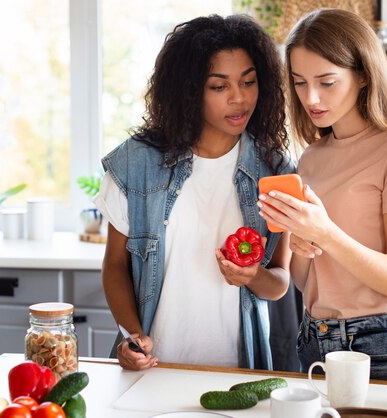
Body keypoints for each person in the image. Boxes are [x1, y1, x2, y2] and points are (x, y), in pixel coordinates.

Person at [95, 14, 295, 371]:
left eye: (249, 82)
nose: (239, 98)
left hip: (240, 370)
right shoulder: (136, 164)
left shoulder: (276, 170)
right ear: (188, 91)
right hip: (154, 368)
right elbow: (114, 265)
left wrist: (254, 277)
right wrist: (132, 334)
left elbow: (280, 281)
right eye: (220, 87)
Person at [257, 8, 387, 382]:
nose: (311, 97)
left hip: (383, 342)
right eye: (299, 82)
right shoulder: (311, 157)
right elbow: (307, 282)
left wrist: (326, 233)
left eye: (327, 82)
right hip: (315, 339)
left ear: (362, 75)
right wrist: (306, 245)